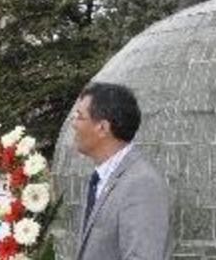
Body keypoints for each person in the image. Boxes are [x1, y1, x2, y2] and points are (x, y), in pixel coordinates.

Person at [71, 82, 170, 260]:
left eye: (79, 116)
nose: (73, 124)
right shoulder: (100, 179)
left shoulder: (141, 184)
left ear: (103, 128)